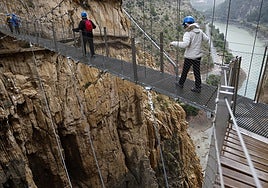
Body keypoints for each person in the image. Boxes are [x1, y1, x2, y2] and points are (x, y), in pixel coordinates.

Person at [170, 16, 209, 93]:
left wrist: (173, 43)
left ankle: (181, 83)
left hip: (190, 56)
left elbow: (185, 44)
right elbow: (207, 40)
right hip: (198, 56)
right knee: (197, 71)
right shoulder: (200, 32)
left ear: (187, 24)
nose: (184, 27)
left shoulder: (188, 33)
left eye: (184, 25)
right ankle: (198, 87)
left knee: (185, 71)